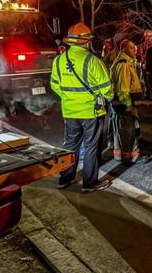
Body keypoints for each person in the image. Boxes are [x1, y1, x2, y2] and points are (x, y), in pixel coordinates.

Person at [50, 22, 114, 193]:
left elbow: (55, 86)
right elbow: (107, 89)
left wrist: (69, 98)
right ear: (86, 42)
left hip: (70, 111)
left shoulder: (58, 60)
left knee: (70, 145)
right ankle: (90, 182)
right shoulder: (93, 61)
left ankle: (65, 178)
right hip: (91, 112)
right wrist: (108, 98)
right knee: (91, 146)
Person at [109, 40, 151, 164]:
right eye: (132, 49)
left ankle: (120, 155)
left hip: (123, 103)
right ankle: (131, 157)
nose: (135, 51)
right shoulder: (123, 64)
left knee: (121, 131)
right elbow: (123, 88)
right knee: (128, 131)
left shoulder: (126, 62)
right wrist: (128, 106)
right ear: (124, 49)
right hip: (126, 104)